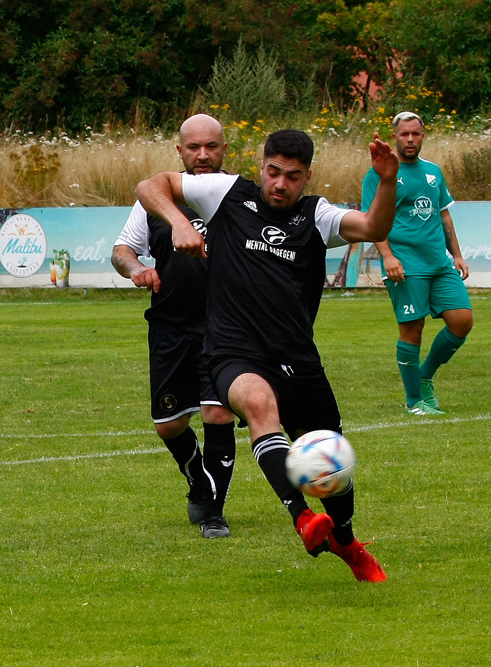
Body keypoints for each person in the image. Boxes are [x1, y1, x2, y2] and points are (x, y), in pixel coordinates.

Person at [135, 129, 399, 582]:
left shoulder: (318, 215)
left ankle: (346, 539)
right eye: (273, 172)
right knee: (259, 405)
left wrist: (388, 181)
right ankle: (301, 518)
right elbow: (150, 186)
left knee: (330, 462)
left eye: (292, 177)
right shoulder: (225, 193)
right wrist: (179, 221)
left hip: (297, 358)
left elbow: (374, 228)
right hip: (232, 351)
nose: (280, 184)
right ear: (261, 166)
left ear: (307, 176)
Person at [111, 114, 236, 539]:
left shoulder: (238, 196)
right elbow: (122, 250)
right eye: (194, 147)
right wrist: (135, 268)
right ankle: (199, 478)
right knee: (170, 425)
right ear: (179, 150)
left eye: (212, 146)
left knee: (217, 413)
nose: (203, 155)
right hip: (170, 326)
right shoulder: (156, 198)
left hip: (225, 326)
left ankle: (215, 512)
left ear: (224, 149)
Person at [361, 111, 473, 416]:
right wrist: (388, 256)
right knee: (413, 330)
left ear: (423, 135)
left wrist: (458, 255)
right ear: (395, 137)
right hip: (405, 264)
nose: (410, 139)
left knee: (462, 321)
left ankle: (424, 375)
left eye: (416, 134)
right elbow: (372, 221)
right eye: (404, 134)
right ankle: (414, 401)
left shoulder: (434, 172)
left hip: (439, 262)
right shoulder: (381, 173)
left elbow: (444, 215)